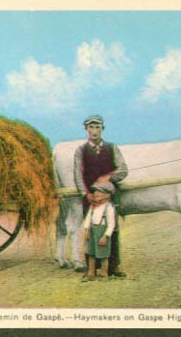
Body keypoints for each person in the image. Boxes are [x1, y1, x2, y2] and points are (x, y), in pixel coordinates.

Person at [74, 114, 128, 277]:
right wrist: (85, 194)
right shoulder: (81, 150)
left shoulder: (112, 148)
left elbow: (123, 170)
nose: (94, 131)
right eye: (91, 127)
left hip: (110, 198)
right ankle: (92, 269)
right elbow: (78, 174)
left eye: (97, 127)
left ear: (102, 129)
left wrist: (108, 177)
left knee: (112, 229)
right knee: (91, 231)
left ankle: (113, 266)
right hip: (91, 197)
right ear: (86, 130)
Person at [82, 182, 116, 282]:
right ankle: (91, 273)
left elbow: (111, 224)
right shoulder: (93, 206)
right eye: (95, 191)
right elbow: (88, 218)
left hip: (101, 232)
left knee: (103, 254)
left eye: (99, 191)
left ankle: (104, 274)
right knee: (91, 253)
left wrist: (106, 236)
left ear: (107, 195)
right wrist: (87, 229)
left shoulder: (109, 208)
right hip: (92, 231)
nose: (95, 193)